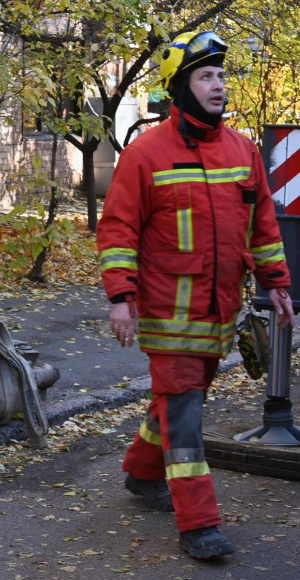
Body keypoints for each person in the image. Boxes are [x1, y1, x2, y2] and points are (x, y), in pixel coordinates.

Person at [96, 31, 294, 560]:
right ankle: (199, 524)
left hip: (219, 314)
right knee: (186, 414)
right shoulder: (146, 154)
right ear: (180, 87)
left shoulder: (242, 150)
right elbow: (117, 229)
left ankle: (140, 473)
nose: (219, 85)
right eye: (206, 76)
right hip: (166, 315)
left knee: (180, 401)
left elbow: (263, 227)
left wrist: (277, 283)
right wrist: (121, 297)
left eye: (222, 76)